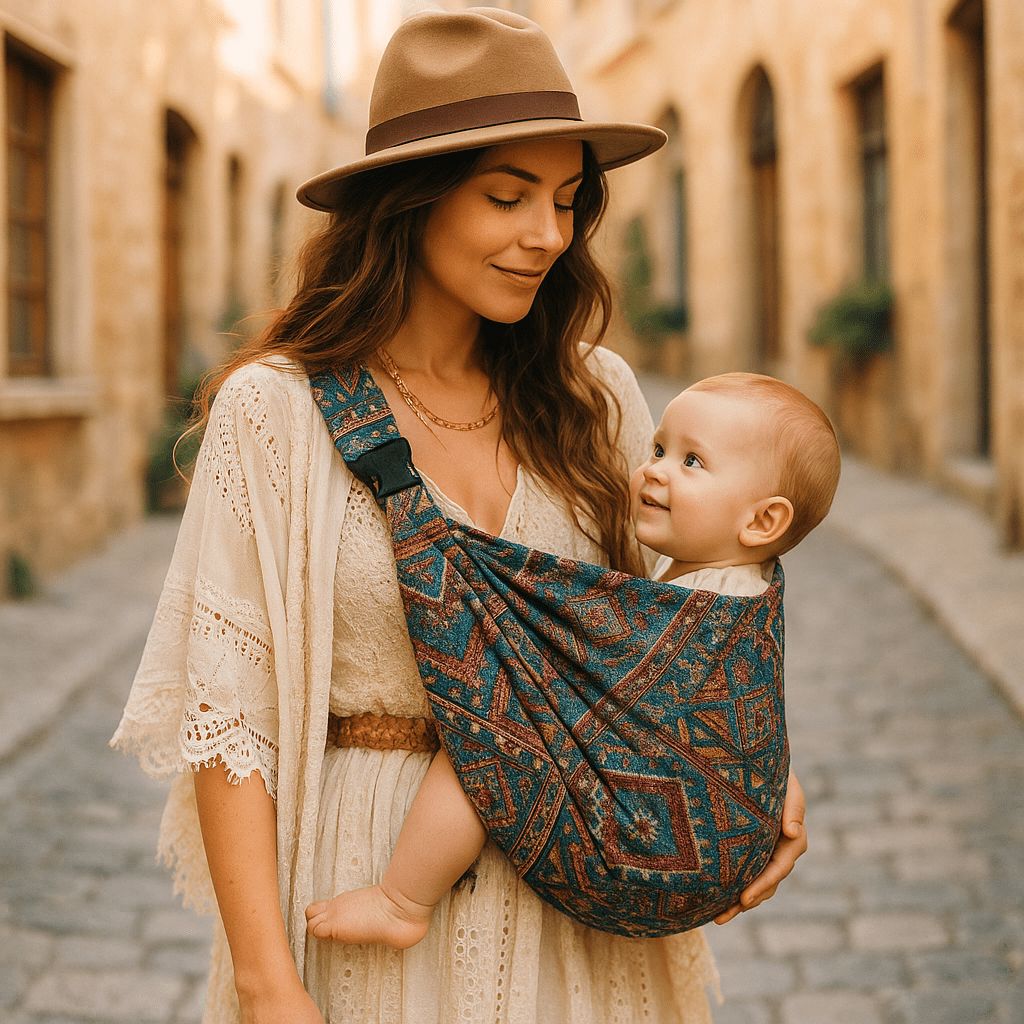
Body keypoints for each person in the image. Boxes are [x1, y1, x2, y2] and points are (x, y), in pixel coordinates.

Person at [112, 9, 809, 1023]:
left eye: (568, 201)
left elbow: (675, 642)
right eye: (506, 196)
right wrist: (267, 984)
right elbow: (232, 720)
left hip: (581, 907)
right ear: (411, 203)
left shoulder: (598, 398)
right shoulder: (277, 413)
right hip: (364, 888)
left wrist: (754, 775)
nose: (548, 236)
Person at [305, 371, 837, 952]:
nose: (654, 470)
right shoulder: (747, 588)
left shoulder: (706, 607)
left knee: (490, 722)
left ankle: (402, 901)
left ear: (763, 521)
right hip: (719, 858)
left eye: (692, 462)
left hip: (641, 846)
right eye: (659, 449)